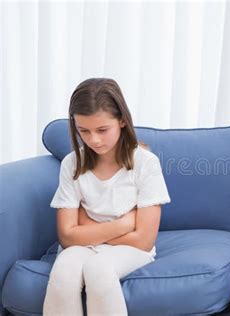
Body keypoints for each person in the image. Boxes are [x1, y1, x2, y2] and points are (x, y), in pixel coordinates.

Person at [43, 78, 170, 316]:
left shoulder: (145, 163)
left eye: (102, 130)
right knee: (63, 270)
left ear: (122, 120)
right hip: (88, 245)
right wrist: (124, 224)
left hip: (131, 250)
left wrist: (88, 228)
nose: (94, 140)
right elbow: (67, 236)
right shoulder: (72, 164)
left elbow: (143, 240)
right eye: (84, 131)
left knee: (99, 269)